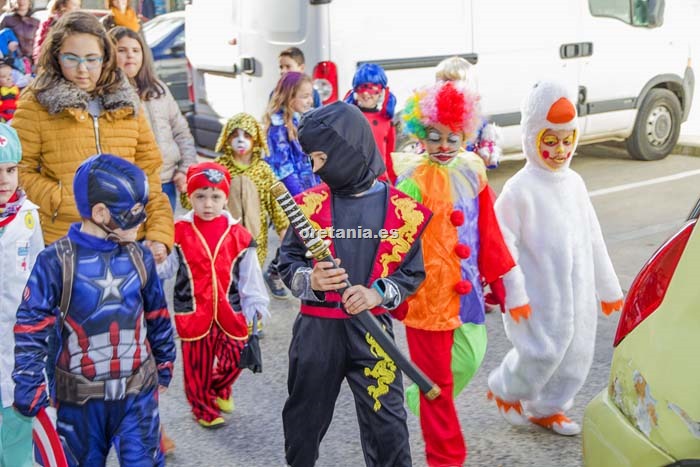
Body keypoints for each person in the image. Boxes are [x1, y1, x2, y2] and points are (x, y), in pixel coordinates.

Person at [278, 101, 431, 467]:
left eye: (319, 158)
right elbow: (287, 263)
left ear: (346, 150)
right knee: (302, 428)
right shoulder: (308, 207)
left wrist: (377, 292)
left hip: (372, 335)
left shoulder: (401, 210)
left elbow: (411, 273)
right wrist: (310, 279)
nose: (314, 170)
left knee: (390, 432)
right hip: (317, 335)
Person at [13, 154, 176, 466]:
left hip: (137, 397)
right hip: (78, 403)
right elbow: (31, 327)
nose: (141, 220)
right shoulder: (56, 261)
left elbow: (157, 314)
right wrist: (29, 384)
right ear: (100, 212)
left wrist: (165, 361)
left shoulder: (139, 257)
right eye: (132, 213)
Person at [487, 81, 624, 436]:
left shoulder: (575, 183)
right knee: (540, 352)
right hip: (538, 294)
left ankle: (549, 408)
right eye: (550, 141)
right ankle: (506, 389)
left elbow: (593, 236)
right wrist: (514, 293)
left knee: (577, 355)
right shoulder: (519, 189)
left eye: (567, 140)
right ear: (532, 137)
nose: (560, 150)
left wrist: (608, 288)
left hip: (578, 294)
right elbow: (502, 244)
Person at [393, 80, 515, 467]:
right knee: (437, 387)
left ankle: (420, 399)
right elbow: (393, 238)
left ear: (466, 133)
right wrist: (388, 290)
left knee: (470, 358)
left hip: (466, 293)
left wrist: (498, 282)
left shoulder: (472, 170)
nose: (444, 146)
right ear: (420, 134)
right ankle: (445, 458)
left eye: (453, 137)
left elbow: (488, 229)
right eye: (435, 136)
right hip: (426, 298)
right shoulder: (411, 179)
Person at [15, 11, 173, 260]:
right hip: (67, 243)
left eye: (92, 59)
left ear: (105, 58)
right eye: (71, 58)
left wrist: (159, 233)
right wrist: (64, 199)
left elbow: (149, 172)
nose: (82, 70)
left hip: (127, 240)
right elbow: (19, 168)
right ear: (56, 56)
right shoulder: (36, 103)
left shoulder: (127, 100)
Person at [173, 161, 269, 427]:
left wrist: (255, 303)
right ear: (189, 197)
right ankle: (202, 408)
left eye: (215, 197)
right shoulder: (178, 232)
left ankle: (218, 388)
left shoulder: (239, 235)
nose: (207, 204)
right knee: (197, 367)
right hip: (193, 311)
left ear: (225, 198)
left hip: (230, 310)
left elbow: (250, 274)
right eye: (200, 196)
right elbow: (166, 267)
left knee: (237, 356)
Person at [111, 26, 197, 210]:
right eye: (122, 50)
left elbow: (181, 131)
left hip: (166, 182)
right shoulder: (109, 94)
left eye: (136, 50)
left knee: (162, 236)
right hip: (130, 187)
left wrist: (185, 169)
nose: (130, 56)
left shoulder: (158, 89)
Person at [0, 123, 42, 467]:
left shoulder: (28, 217)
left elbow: (39, 274)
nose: (5, 180)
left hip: (19, 344)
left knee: (18, 419)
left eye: (11, 170)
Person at [262, 71, 319, 298]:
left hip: (310, 185)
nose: (309, 100)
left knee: (304, 235)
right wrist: (302, 197)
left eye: (310, 95)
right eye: (304, 96)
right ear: (289, 97)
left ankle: (283, 269)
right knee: (300, 235)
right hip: (293, 192)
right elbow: (283, 168)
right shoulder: (277, 127)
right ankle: (277, 270)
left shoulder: (303, 118)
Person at [211, 112, 289, 267]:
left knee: (251, 277)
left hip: (255, 239)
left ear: (255, 139)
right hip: (225, 239)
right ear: (227, 138)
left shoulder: (263, 170)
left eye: (246, 135)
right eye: (235, 135)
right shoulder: (219, 168)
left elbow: (277, 202)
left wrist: (283, 229)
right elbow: (201, 197)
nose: (241, 140)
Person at [435, 55, 503, 170]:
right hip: (439, 174)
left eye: (451, 81)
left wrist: (485, 155)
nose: (446, 86)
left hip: (467, 173)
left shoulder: (476, 121)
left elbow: (488, 159)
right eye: (442, 82)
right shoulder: (433, 118)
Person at [343, 63, 397, 183]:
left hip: (379, 181)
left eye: (372, 88)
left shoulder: (387, 122)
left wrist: (393, 182)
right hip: (354, 181)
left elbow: (389, 157)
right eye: (361, 87)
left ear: (382, 91)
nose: (366, 93)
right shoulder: (349, 118)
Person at [32, 0, 80, 65]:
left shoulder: (77, 23)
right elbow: (39, 43)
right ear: (63, 6)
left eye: (78, 5)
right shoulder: (49, 23)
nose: (78, 8)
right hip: (51, 62)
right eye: (74, 5)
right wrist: (38, 61)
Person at [0, 0, 39, 66]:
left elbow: (38, 43)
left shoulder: (36, 21)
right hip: (10, 63)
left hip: (31, 64)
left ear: (29, 1)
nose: (21, 1)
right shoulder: (6, 18)